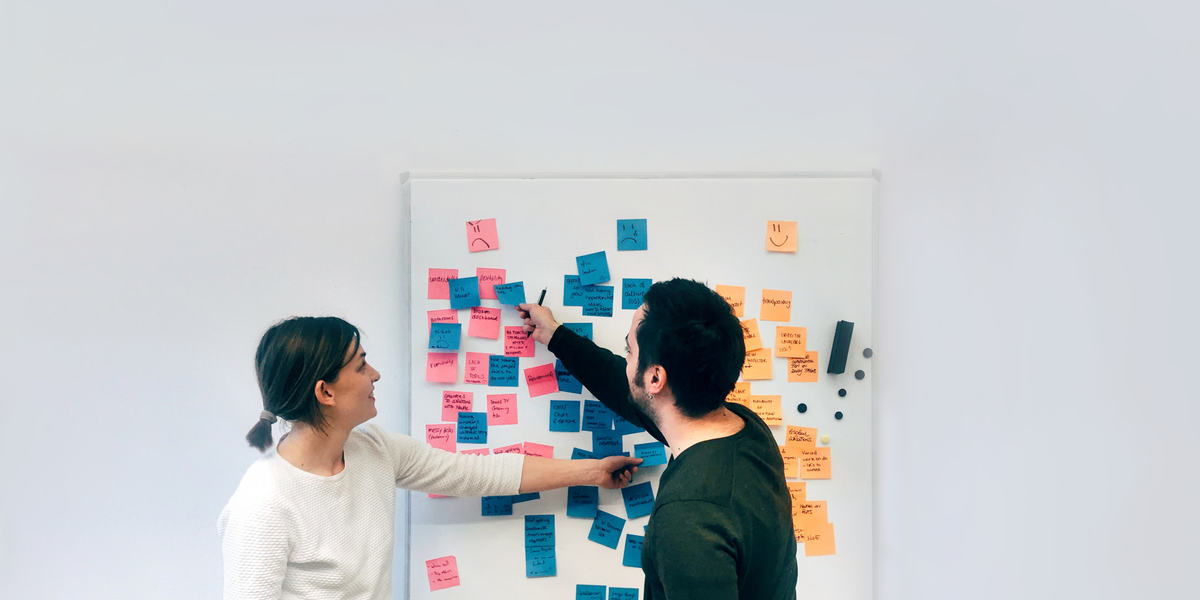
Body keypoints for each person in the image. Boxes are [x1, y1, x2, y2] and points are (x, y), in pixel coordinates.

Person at [218, 316, 641, 600]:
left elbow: (478, 473)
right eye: (361, 366)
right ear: (325, 392)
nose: (375, 375)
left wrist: (593, 471)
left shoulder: (373, 451)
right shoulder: (264, 504)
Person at [518, 278, 798, 600]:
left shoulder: (688, 520)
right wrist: (555, 335)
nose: (626, 361)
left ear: (655, 378)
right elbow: (630, 393)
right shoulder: (745, 428)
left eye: (630, 351)